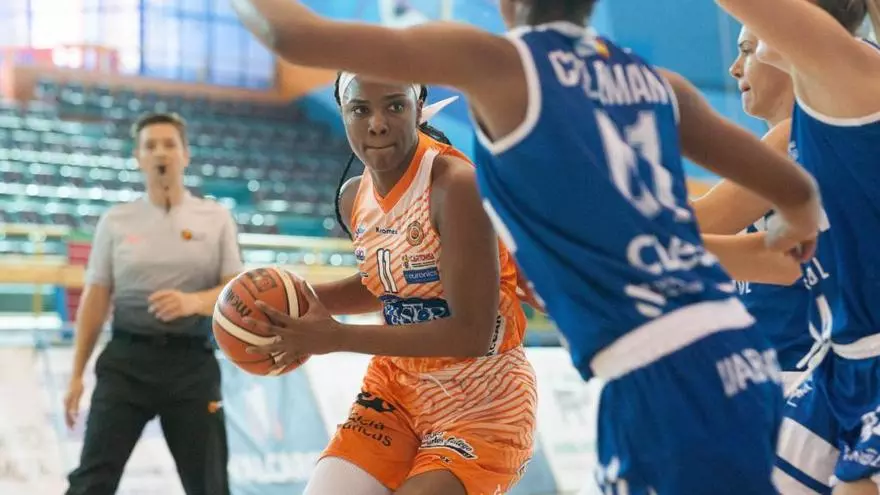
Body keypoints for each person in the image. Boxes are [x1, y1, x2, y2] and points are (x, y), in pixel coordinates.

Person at [231, 0, 822, 492]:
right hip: (734, 352)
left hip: (653, 368)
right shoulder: (654, 82)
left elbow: (292, 34)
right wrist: (789, 232)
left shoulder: (501, 67)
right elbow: (795, 190)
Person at [246, 73, 535, 495]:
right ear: (344, 115)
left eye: (395, 106)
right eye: (360, 109)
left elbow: (471, 332)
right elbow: (386, 285)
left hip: (483, 401)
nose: (377, 123)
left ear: (418, 109)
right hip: (395, 392)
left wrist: (336, 337)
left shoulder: (456, 186)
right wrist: (291, 302)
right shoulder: (354, 196)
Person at [714, 0, 880, 494]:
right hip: (841, 360)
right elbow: (786, 258)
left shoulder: (850, 73)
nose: (737, 64)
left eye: (749, 44)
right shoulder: (810, 120)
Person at [63, 112, 241, 495]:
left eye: (169, 144)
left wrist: (193, 301)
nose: (161, 152)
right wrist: (77, 374)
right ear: (138, 157)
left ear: (185, 154)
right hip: (126, 363)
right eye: (150, 146)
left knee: (210, 486)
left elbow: (235, 290)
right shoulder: (115, 221)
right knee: (91, 481)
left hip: (192, 365)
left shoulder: (216, 218)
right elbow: (96, 296)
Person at [693, 26, 837, 495]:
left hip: (804, 378)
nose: (735, 67)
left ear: (788, 49)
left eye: (748, 50)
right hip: (786, 378)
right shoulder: (805, 137)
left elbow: (698, 228)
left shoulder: (804, 132)